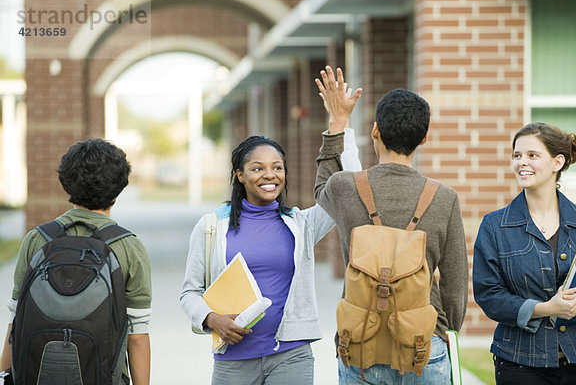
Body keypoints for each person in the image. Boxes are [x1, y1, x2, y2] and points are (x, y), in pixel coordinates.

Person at [180, 85, 362, 384]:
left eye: (277, 167)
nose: (269, 175)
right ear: (240, 174)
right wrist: (212, 320)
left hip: (291, 357)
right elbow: (190, 292)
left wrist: (339, 125)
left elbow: (350, 189)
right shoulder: (212, 226)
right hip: (233, 359)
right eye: (257, 168)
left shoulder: (301, 224)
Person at [313, 66, 468, 384]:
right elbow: (455, 286)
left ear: (374, 131)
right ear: (424, 138)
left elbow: (321, 190)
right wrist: (444, 326)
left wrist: (337, 124)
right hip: (423, 345)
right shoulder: (444, 198)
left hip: (359, 344)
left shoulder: (344, 188)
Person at [0, 138, 152, 385]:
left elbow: (15, 319)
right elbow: (137, 334)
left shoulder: (37, 239)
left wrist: (4, 375)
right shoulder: (129, 246)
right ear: (120, 186)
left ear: (66, 183)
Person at [473, 122, 576, 384]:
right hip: (520, 364)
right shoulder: (495, 225)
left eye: (532, 155)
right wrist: (545, 308)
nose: (522, 163)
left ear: (557, 162)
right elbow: (489, 294)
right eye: (517, 156)